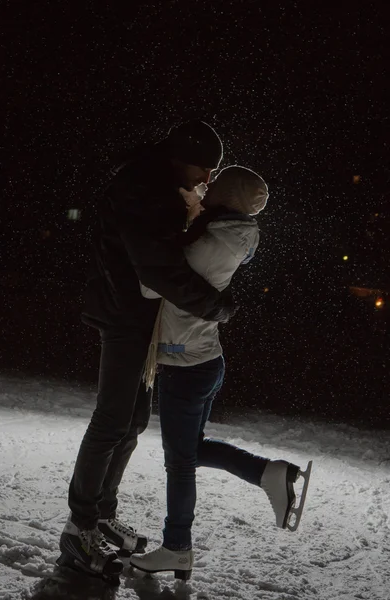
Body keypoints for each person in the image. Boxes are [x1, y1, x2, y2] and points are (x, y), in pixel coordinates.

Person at [58, 121, 238, 583]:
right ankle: (78, 528)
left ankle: (100, 514)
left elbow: (166, 253)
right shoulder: (143, 186)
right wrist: (215, 305)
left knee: (133, 421)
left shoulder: (160, 184)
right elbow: (156, 266)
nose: (208, 179)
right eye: (206, 167)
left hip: (138, 318)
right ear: (184, 156)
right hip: (124, 316)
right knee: (112, 420)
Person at [130, 166, 312, 580]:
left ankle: (177, 546)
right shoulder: (236, 234)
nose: (205, 187)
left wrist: (174, 228)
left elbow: (150, 286)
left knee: (180, 463)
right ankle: (270, 473)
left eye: (216, 184)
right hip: (204, 359)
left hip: (185, 362)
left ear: (227, 196)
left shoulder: (209, 242)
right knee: (189, 451)